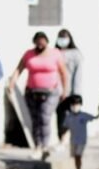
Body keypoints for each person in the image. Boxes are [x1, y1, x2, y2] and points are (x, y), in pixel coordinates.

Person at [8, 31, 68, 160]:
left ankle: (45, 146)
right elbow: (19, 69)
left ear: (47, 42)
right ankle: (37, 146)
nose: (40, 45)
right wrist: (12, 83)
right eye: (38, 42)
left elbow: (64, 73)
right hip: (32, 91)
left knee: (44, 118)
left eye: (42, 42)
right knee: (35, 120)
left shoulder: (55, 54)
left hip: (50, 92)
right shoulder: (29, 54)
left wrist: (65, 90)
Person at [55, 28, 83, 143]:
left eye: (64, 37)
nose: (62, 40)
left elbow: (78, 74)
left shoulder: (76, 54)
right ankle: (61, 139)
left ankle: (73, 139)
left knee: (72, 116)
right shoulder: (54, 53)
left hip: (71, 91)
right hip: (57, 91)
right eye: (60, 37)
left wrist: (76, 93)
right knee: (60, 117)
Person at [62, 95, 96, 169]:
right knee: (75, 157)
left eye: (77, 104)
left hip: (82, 140)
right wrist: (62, 136)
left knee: (78, 155)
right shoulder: (69, 116)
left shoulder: (84, 116)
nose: (75, 106)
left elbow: (94, 118)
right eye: (73, 104)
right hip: (73, 140)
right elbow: (65, 127)